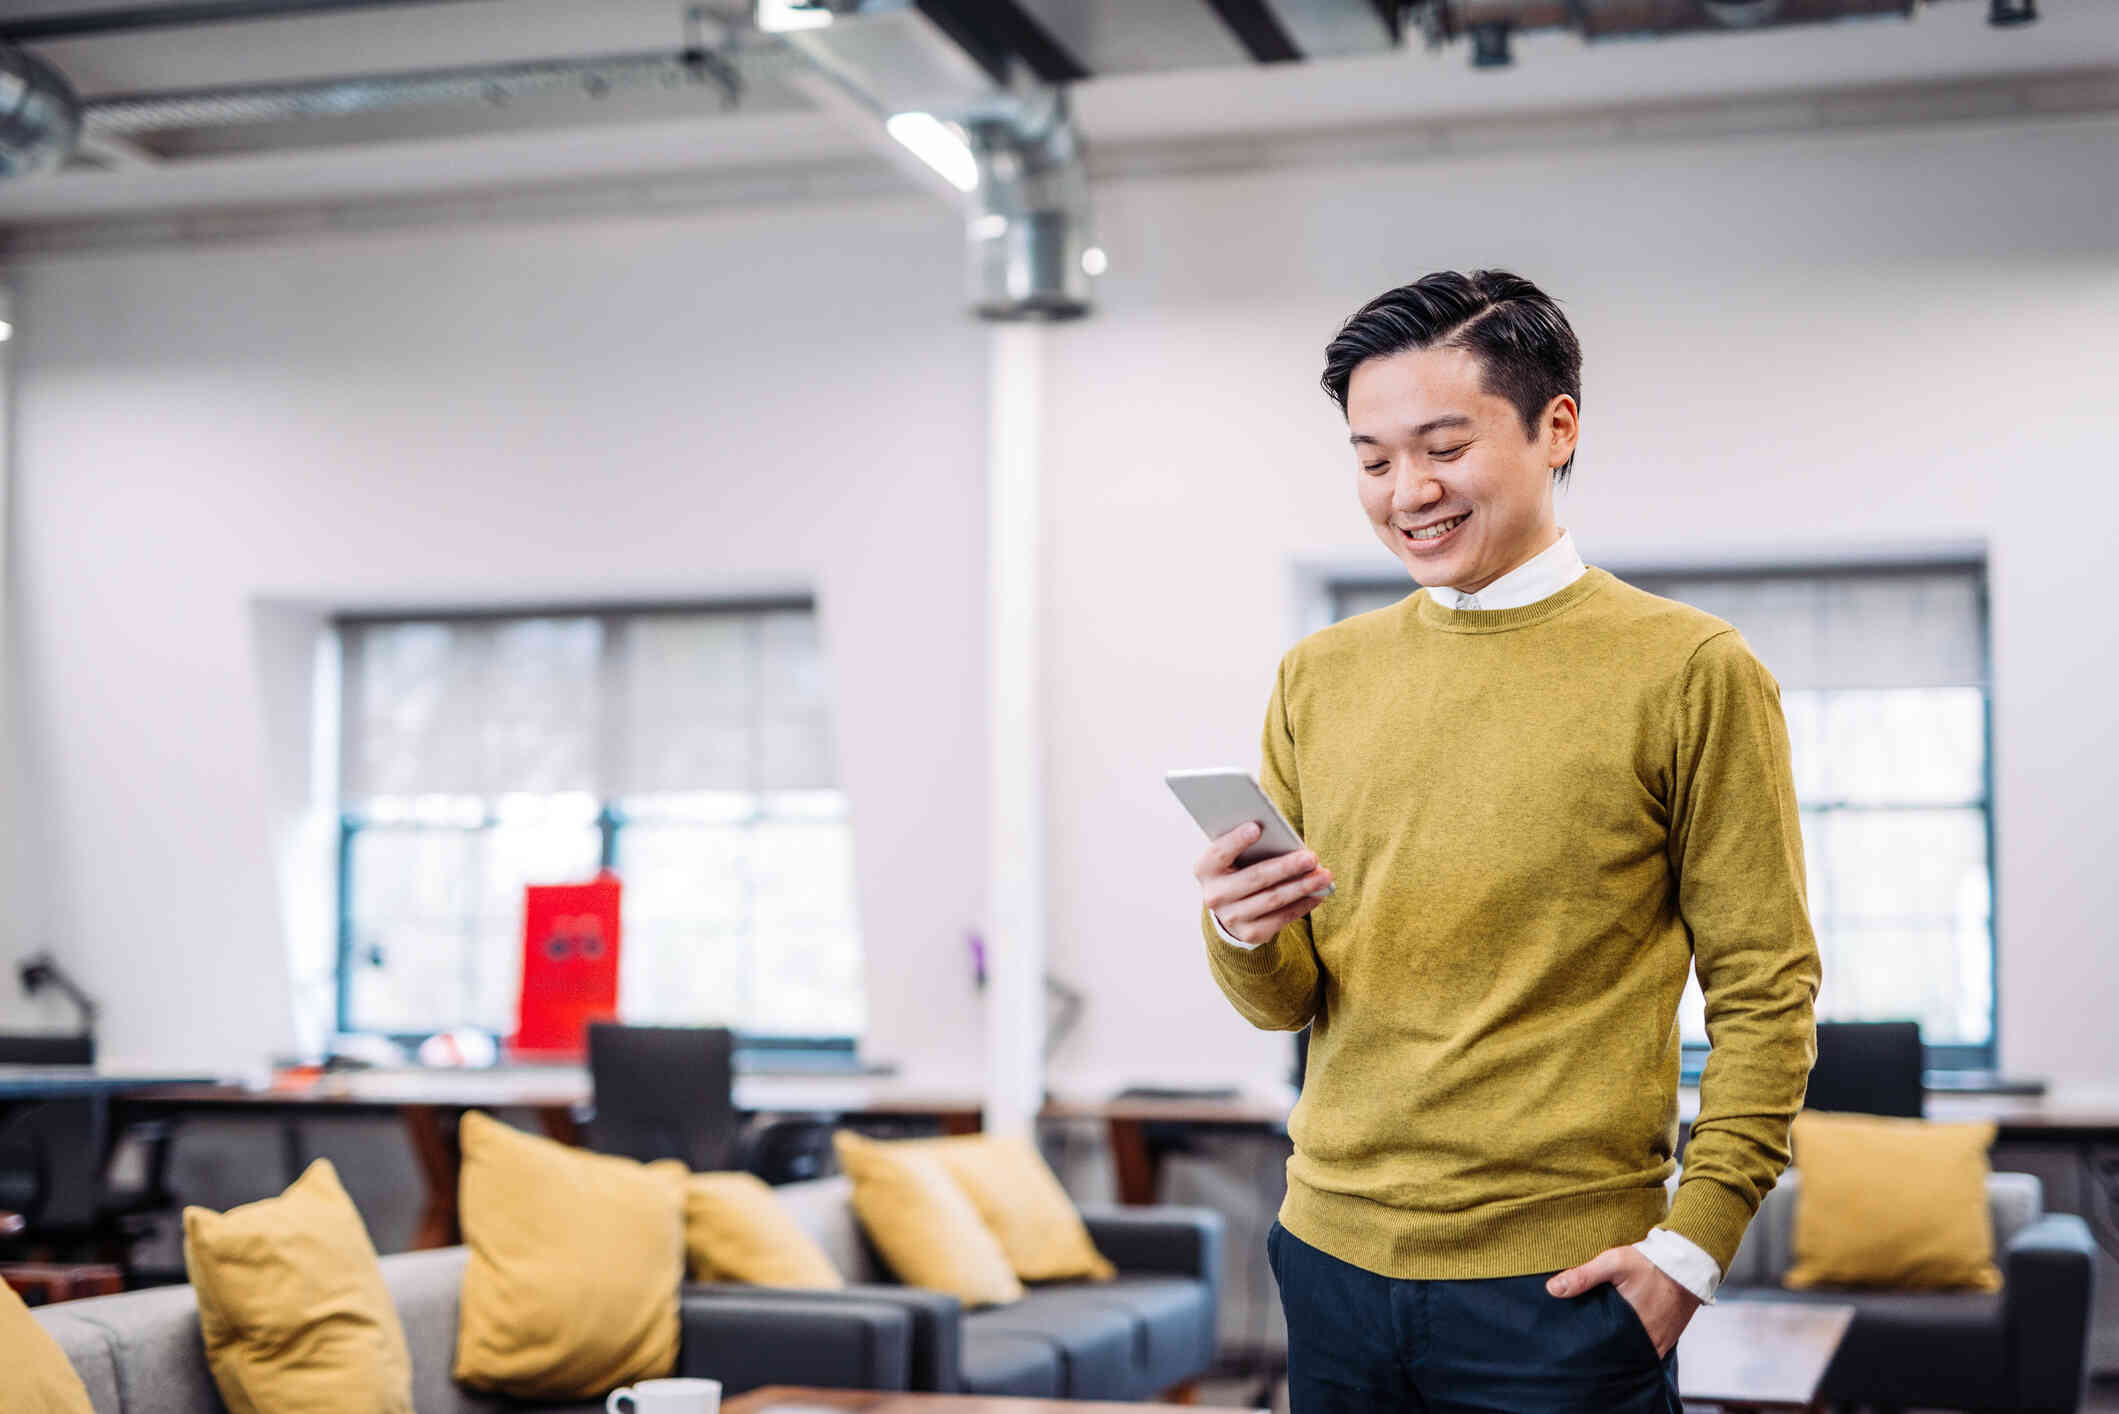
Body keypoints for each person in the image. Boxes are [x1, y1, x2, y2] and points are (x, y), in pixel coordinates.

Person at [1193, 269, 1821, 1412]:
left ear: (1555, 427)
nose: (1406, 492)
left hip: (1562, 1286)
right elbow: (1286, 1001)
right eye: (1372, 459)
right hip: (1328, 1259)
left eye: (1443, 445)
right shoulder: (1317, 675)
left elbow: (1766, 989)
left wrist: (1693, 1248)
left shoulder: (1691, 670)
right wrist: (1241, 930)